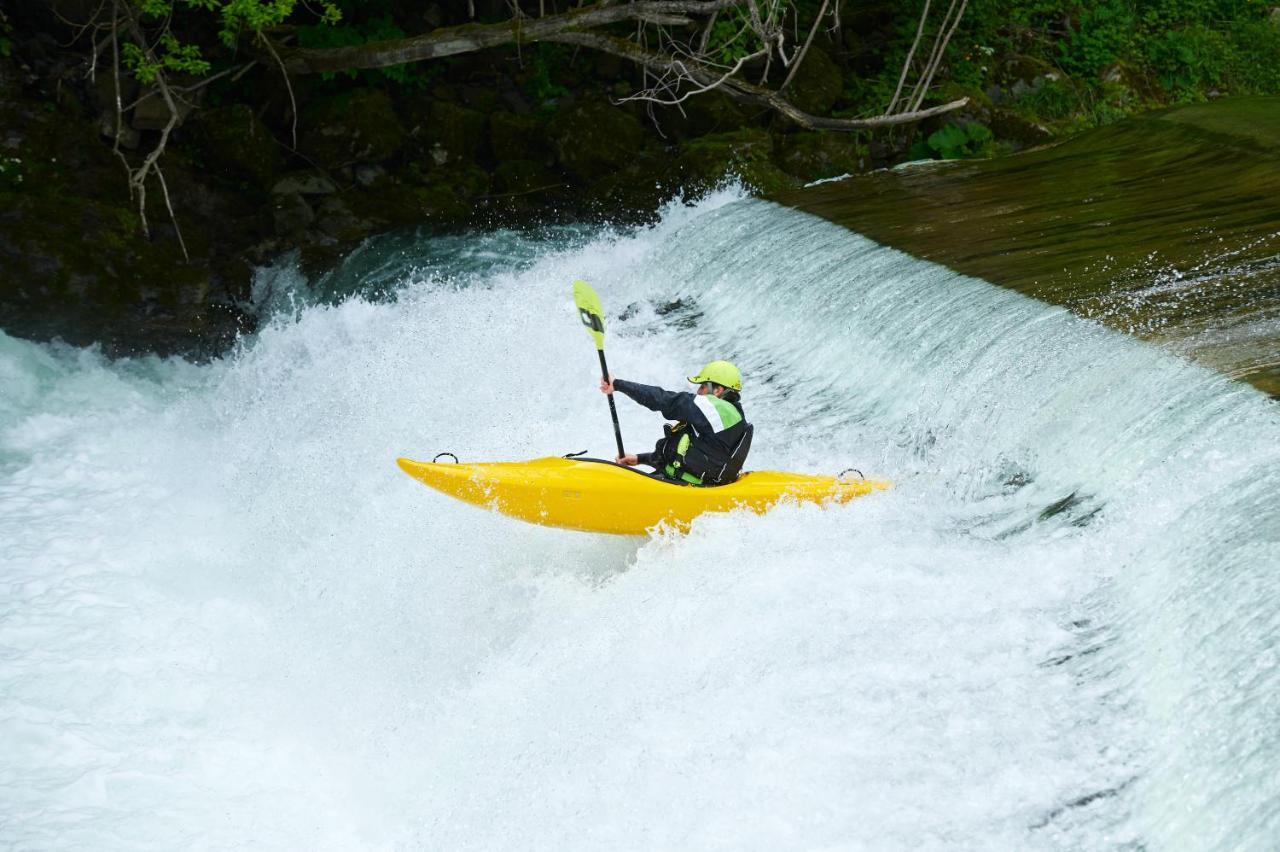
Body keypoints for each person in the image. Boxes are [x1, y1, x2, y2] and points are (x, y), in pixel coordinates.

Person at [598, 360, 753, 486]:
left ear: (718, 390)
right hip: (678, 483)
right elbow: (692, 455)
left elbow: (664, 400)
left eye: (703, 386)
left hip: (683, 487)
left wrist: (617, 384)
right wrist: (640, 459)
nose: (698, 391)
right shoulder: (726, 417)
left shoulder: (720, 410)